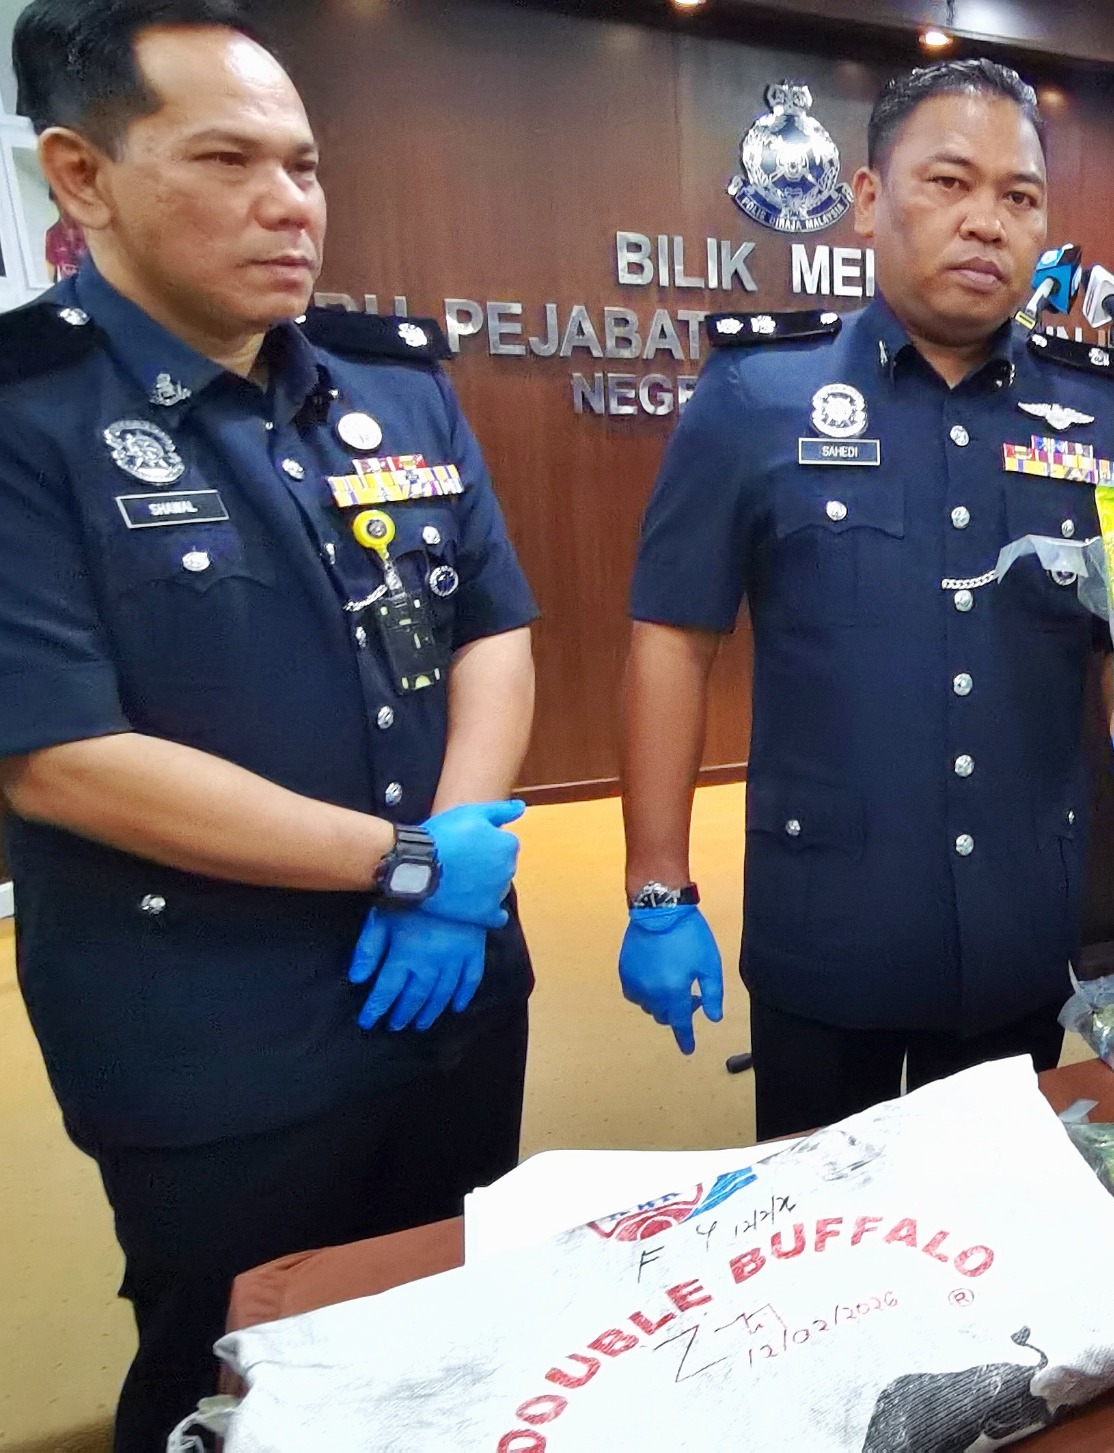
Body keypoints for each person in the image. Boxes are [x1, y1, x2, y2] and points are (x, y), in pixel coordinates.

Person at [0, 5, 539, 1447]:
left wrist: (458, 852)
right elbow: (60, 759)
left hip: (450, 996)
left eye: (303, 164)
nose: (290, 203)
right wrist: (409, 864)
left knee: (449, 1338)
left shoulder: (392, 382)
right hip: (214, 1041)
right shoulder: (25, 416)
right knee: (230, 1380)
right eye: (228, 160)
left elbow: (492, 627)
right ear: (82, 174)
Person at [618, 60, 1114, 1138]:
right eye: (950, 182)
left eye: (1020, 196)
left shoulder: (1109, 414)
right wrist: (657, 888)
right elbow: (672, 640)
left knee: (994, 1207)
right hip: (827, 921)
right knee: (822, 1221)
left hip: (1023, 922)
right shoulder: (757, 396)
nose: (987, 221)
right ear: (869, 197)